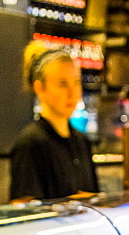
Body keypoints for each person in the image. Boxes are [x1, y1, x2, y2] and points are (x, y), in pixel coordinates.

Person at [10, 44, 99, 201]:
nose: (73, 93)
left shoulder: (82, 141)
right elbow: (22, 209)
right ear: (40, 88)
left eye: (77, 82)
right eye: (63, 84)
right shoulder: (30, 143)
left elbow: (93, 198)